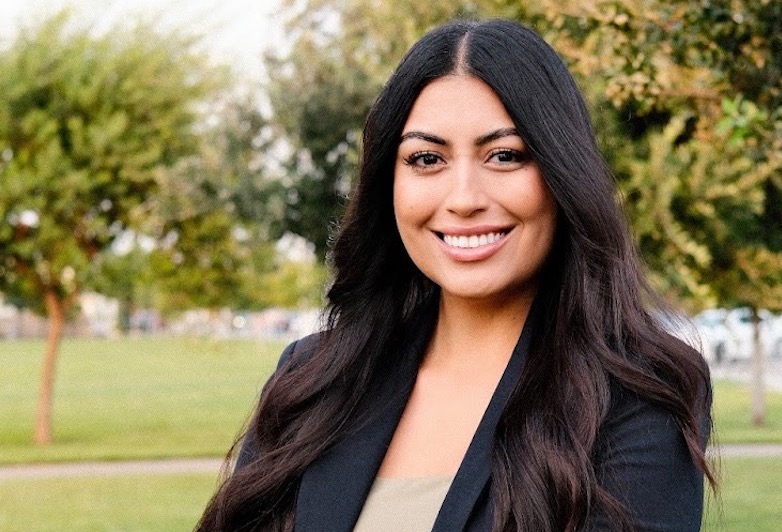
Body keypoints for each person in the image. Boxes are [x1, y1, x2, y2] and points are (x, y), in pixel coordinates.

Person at [197, 18, 713, 532]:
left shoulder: (640, 395)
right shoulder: (313, 378)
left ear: (562, 176)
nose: (464, 198)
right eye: (426, 158)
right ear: (388, 184)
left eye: (505, 156)